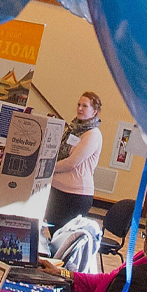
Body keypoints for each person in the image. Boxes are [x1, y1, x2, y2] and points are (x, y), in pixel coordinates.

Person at [44, 92, 105, 230]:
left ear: (94, 111)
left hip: (75, 196)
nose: (80, 108)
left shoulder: (93, 134)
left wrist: (47, 167)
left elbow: (71, 163)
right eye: (79, 104)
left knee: (65, 239)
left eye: (85, 106)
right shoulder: (72, 129)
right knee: (53, 234)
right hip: (56, 190)